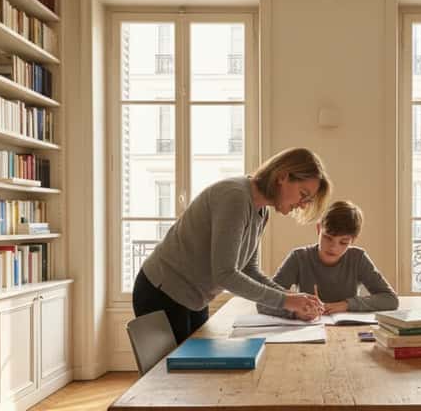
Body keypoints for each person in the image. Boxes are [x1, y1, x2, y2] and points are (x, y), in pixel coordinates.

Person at [132, 147, 331, 343]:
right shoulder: (235, 197)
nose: (303, 204)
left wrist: (292, 298)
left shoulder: (261, 212)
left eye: (308, 200)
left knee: (193, 370)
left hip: (193, 299)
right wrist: (287, 301)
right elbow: (225, 274)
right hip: (162, 291)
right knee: (176, 374)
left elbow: (249, 269)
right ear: (283, 177)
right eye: (303, 194)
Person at [257, 200, 398, 320]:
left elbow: (390, 299)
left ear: (353, 240)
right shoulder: (299, 258)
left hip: (347, 331)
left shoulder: (358, 258)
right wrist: (295, 312)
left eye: (343, 242)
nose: (333, 247)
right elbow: (263, 302)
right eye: (328, 237)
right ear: (319, 229)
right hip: (307, 331)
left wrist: (347, 304)